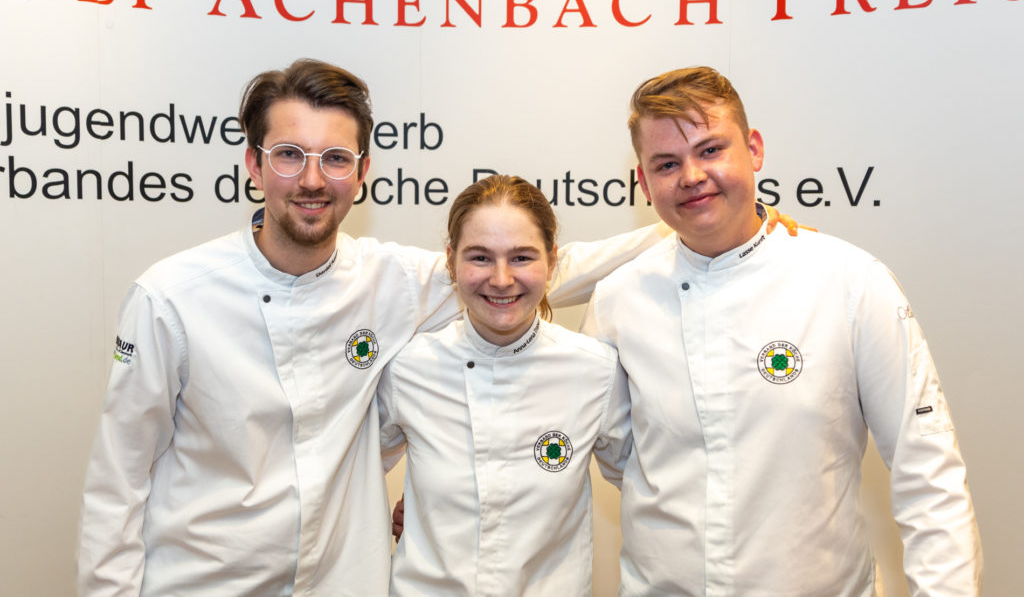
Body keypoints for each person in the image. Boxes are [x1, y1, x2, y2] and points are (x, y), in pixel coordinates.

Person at [75, 59, 687, 596]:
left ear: (361, 171)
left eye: (335, 159)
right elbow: (118, 481)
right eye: (290, 154)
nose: (313, 180)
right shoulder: (171, 298)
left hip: (345, 583)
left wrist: (697, 226)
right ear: (254, 165)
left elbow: (519, 268)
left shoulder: (391, 279)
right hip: (204, 583)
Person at [581, 67, 983, 596]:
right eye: (667, 164)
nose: (691, 176)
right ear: (643, 182)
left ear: (754, 149)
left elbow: (927, 470)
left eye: (710, 150)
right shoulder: (618, 300)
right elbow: (622, 457)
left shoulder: (850, 282)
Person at [378, 175, 631, 596]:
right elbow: (347, 475)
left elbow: (654, 488)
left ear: (552, 262)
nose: (500, 279)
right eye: (479, 257)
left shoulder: (595, 371)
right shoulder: (408, 368)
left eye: (521, 258)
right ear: (451, 261)